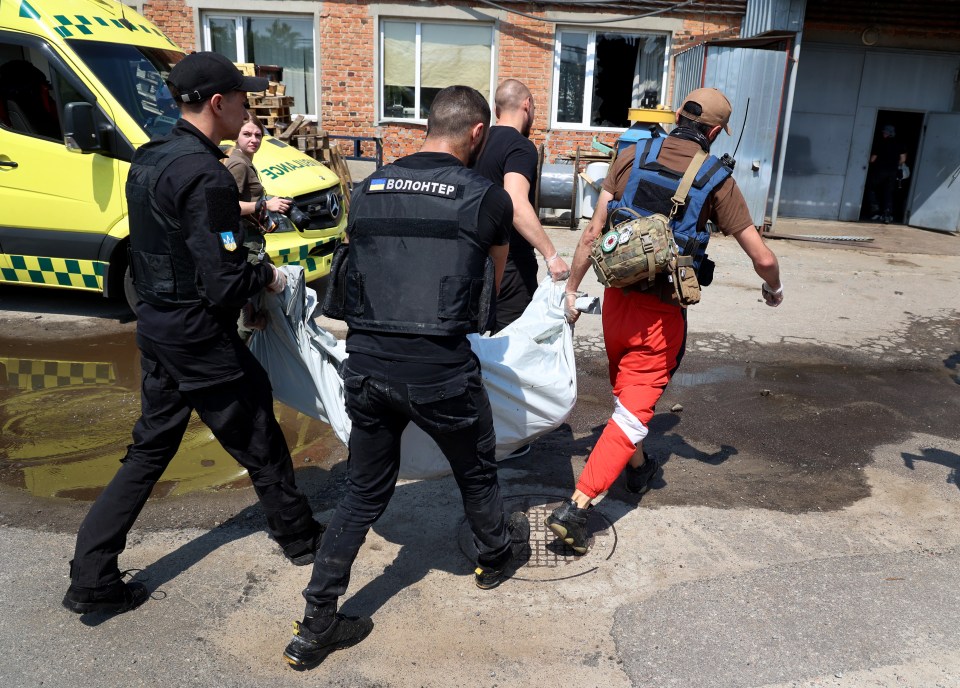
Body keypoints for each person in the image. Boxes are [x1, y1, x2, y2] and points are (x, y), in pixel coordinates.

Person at [62, 52, 323, 616]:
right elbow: (224, 279)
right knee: (258, 430)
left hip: (157, 324)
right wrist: (268, 277)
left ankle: (91, 574)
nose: (248, 107)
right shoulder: (206, 175)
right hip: (197, 333)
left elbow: (165, 248)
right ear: (217, 103)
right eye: (242, 98)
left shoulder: (152, 157)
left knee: (149, 450)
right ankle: (301, 538)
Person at [282, 85, 530, 670]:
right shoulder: (486, 198)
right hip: (441, 371)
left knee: (364, 490)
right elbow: (488, 294)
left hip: (366, 366)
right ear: (477, 135)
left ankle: (315, 623)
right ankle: (494, 556)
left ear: (427, 126)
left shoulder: (366, 191)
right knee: (475, 467)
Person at [545, 87, 783, 554]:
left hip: (615, 304)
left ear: (678, 116)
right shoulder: (717, 179)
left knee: (626, 397)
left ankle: (636, 471)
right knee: (635, 415)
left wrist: (571, 291)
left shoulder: (631, 152)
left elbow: (593, 232)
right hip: (660, 316)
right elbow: (764, 257)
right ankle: (577, 508)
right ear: (715, 132)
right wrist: (772, 289)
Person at [474, 79, 570, 333]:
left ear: (497, 110)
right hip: (510, 266)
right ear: (527, 105)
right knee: (510, 346)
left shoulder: (477, 141)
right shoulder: (520, 146)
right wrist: (552, 256)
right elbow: (515, 201)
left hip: (472, 260)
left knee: (474, 342)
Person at [224, 110, 291, 338]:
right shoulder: (238, 165)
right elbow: (227, 206)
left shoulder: (245, 162)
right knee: (249, 303)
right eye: (247, 134)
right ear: (236, 136)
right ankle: (240, 357)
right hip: (245, 241)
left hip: (252, 239)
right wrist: (264, 205)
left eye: (258, 135)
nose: (253, 139)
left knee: (259, 295)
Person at [866, 124, 907, 224]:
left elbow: (872, 159)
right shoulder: (899, 144)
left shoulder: (880, 143)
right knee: (888, 192)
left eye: (884, 132)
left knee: (870, 188)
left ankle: (875, 211)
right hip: (892, 172)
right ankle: (887, 215)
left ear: (888, 133)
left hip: (880, 171)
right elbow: (903, 159)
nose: (883, 133)